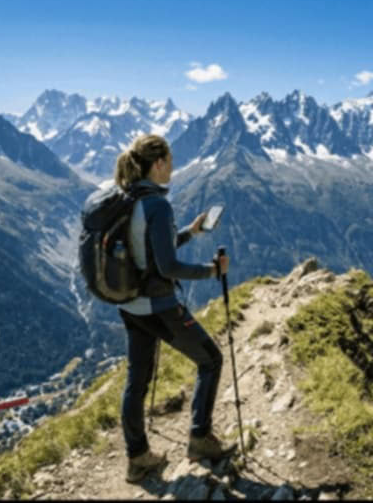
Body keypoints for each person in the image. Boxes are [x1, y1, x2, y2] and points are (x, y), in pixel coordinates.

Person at [112, 134, 235, 483]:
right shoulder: (157, 205)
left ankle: (137, 458)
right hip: (158, 306)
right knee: (211, 359)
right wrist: (213, 271)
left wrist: (190, 233)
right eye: (170, 159)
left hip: (130, 304)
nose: (174, 166)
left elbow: (147, 250)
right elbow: (167, 268)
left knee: (136, 381)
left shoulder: (127, 198)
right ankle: (199, 438)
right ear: (159, 163)